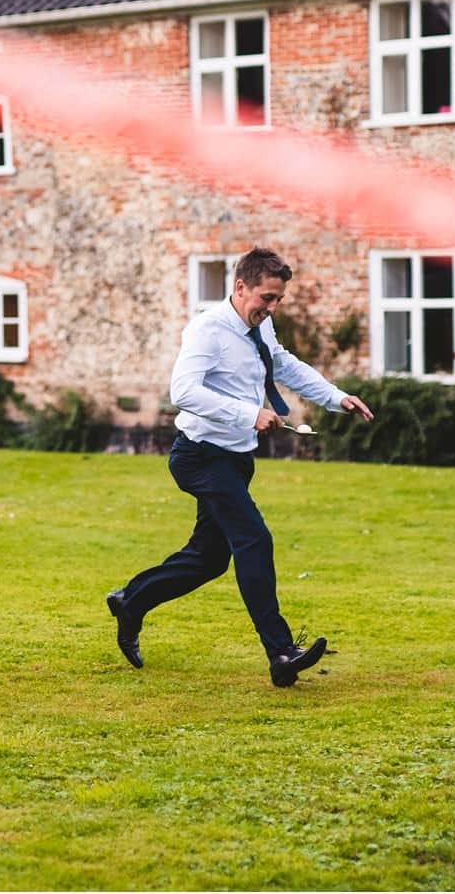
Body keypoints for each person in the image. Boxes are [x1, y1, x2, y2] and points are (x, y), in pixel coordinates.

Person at [106, 248, 374, 687]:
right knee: (253, 539)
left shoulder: (260, 327)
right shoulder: (207, 331)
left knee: (208, 560)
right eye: (266, 298)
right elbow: (183, 391)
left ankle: (131, 601)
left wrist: (335, 397)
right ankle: (282, 653)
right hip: (200, 456)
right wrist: (246, 414)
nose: (271, 309)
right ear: (240, 287)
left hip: (234, 459)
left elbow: (282, 364)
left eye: (278, 301)